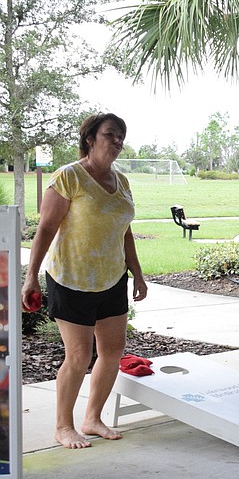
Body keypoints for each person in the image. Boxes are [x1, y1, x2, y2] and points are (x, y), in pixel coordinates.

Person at [20, 113, 147, 449]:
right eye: (110, 134)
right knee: (78, 355)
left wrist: (137, 272)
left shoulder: (122, 181)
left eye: (121, 135)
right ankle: (64, 426)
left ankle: (92, 418)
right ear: (90, 138)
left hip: (111, 278)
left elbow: (124, 230)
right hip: (71, 278)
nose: (117, 140)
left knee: (112, 350)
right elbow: (45, 228)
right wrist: (30, 276)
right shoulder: (69, 177)